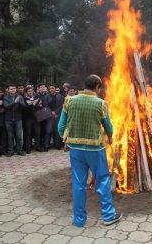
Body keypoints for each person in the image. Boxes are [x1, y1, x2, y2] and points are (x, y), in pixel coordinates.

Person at [58, 74, 122, 227]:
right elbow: (108, 127)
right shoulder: (101, 104)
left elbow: (61, 127)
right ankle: (108, 216)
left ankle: (79, 220)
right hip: (95, 149)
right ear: (97, 87)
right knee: (103, 181)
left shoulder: (69, 101)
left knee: (79, 184)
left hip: (75, 150)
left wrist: (65, 140)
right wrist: (111, 136)